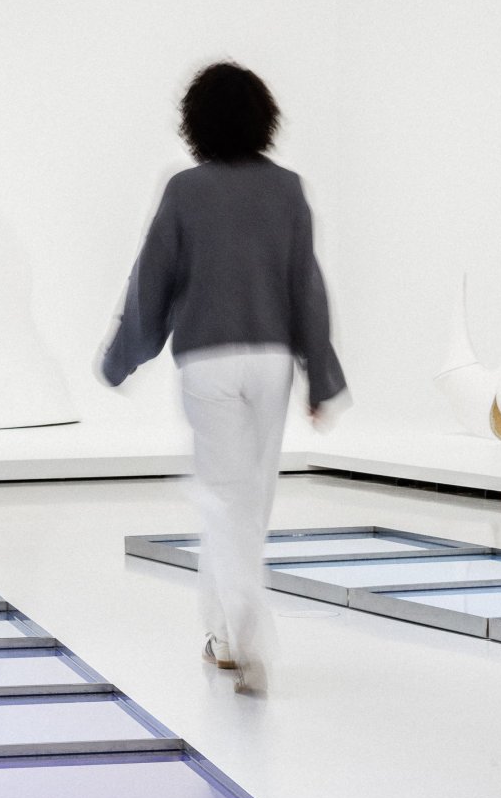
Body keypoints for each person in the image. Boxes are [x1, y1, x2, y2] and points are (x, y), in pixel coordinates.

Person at [100, 61, 347, 693]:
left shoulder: (186, 190)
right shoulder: (287, 189)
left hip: (207, 361)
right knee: (249, 499)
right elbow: (306, 288)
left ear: (196, 123)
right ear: (265, 119)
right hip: (270, 361)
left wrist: (121, 355)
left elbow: (151, 280)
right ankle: (226, 636)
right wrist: (320, 375)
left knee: (222, 495)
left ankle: (244, 631)